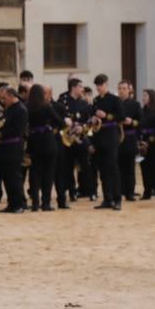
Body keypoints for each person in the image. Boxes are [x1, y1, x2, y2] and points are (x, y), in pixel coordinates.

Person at [57, 77, 92, 207]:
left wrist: (81, 126)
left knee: (85, 165)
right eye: (80, 87)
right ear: (74, 87)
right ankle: (72, 191)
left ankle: (90, 190)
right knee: (68, 166)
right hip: (67, 138)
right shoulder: (63, 100)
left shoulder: (83, 103)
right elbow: (60, 116)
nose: (82, 89)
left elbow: (88, 118)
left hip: (81, 137)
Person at [0, 86, 28, 213]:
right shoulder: (9, 109)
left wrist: (1, 134)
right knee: (7, 177)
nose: (3, 100)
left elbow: (18, 130)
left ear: (12, 96)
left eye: (5, 97)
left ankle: (19, 204)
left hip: (14, 147)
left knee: (15, 177)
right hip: (5, 148)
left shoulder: (21, 110)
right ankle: (11, 203)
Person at [25, 84, 61, 211]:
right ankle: (46, 203)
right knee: (48, 174)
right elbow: (59, 121)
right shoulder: (46, 106)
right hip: (48, 141)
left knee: (34, 173)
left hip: (34, 141)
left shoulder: (27, 107)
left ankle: (35, 203)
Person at [91, 74, 122, 210]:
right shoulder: (96, 100)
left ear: (106, 84)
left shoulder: (114, 99)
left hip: (111, 136)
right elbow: (93, 114)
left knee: (112, 168)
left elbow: (121, 116)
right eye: (97, 85)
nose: (99, 88)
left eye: (101, 85)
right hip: (99, 136)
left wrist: (107, 116)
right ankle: (107, 198)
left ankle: (117, 199)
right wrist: (93, 119)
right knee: (102, 169)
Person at [117, 81, 142, 202]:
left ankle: (130, 192)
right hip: (116, 139)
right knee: (118, 167)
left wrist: (132, 122)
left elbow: (141, 122)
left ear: (129, 90)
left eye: (124, 88)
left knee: (130, 168)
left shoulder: (135, 104)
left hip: (130, 138)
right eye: (120, 88)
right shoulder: (115, 103)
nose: (121, 91)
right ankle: (119, 191)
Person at [139, 89, 155, 200]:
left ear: (151, 97)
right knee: (144, 168)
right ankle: (147, 191)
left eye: (145, 95)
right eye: (143, 95)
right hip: (142, 142)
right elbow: (139, 127)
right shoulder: (141, 111)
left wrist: (149, 141)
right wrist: (141, 141)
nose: (143, 98)